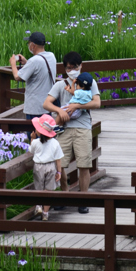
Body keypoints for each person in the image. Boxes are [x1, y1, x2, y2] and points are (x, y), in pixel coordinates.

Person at [43, 53, 100, 208]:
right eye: (69, 67)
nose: (72, 70)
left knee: (84, 164)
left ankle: (83, 199)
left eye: (75, 67)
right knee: (60, 164)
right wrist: (59, 111)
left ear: (80, 66)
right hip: (64, 129)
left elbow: (97, 103)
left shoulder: (89, 81)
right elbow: (46, 103)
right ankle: (65, 194)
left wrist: (77, 106)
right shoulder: (60, 85)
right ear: (65, 68)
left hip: (83, 127)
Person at [9, 32, 57, 121]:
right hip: (47, 105)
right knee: (46, 132)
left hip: (35, 108)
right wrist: (26, 62)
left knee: (33, 133)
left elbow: (17, 77)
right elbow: (39, 69)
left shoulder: (34, 61)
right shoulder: (51, 56)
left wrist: (13, 64)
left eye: (29, 43)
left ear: (33, 45)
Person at [29, 114, 63, 221]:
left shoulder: (35, 142)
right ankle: (45, 213)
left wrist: (32, 139)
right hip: (51, 166)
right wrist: (59, 172)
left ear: (39, 131)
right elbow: (58, 159)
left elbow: (31, 151)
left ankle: (38, 206)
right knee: (48, 190)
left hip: (38, 166)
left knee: (39, 188)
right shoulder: (55, 143)